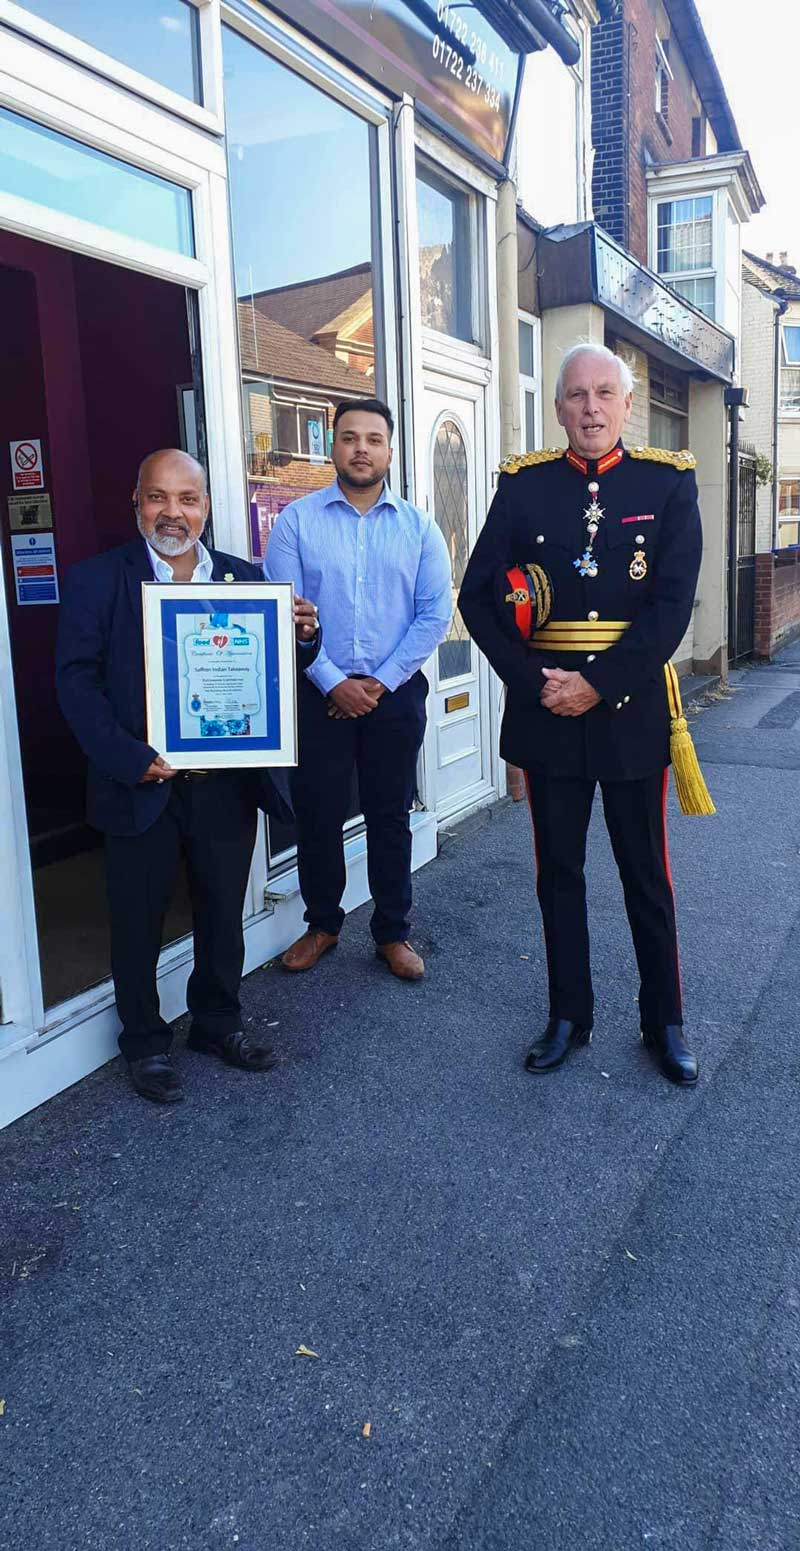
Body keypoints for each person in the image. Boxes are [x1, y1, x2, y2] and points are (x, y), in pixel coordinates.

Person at [459, 343, 709, 1087]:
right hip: (548, 713)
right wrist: (540, 682)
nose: (591, 408)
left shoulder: (668, 485)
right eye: (576, 395)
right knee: (558, 873)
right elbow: (477, 598)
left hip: (628, 710)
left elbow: (670, 608)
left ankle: (663, 1019)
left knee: (645, 875)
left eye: (605, 393)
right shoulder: (523, 486)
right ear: (558, 405)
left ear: (628, 404)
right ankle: (569, 1013)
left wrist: (597, 683)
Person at [55, 448, 320, 1105]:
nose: (173, 511)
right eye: (157, 497)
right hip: (139, 781)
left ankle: (216, 1022)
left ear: (205, 506)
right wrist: (126, 755)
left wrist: (306, 637)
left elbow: (276, 670)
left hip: (223, 785)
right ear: (137, 503)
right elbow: (76, 682)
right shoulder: (98, 580)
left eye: (188, 498)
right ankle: (145, 1042)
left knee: (221, 912)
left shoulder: (244, 578)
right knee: (137, 918)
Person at [263, 398, 452, 981]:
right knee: (317, 814)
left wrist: (377, 683)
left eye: (373, 438)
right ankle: (323, 924)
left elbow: (434, 614)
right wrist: (333, 681)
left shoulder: (419, 528)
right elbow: (282, 611)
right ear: (332, 447)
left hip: (393, 698)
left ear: (390, 451)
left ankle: (392, 932)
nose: (361, 448)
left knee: (388, 814)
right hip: (317, 695)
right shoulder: (296, 521)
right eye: (349, 438)